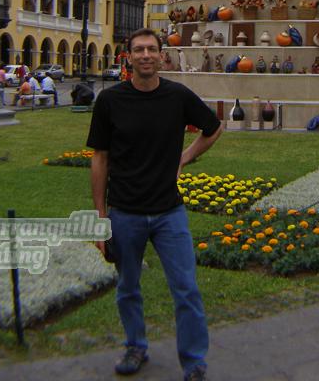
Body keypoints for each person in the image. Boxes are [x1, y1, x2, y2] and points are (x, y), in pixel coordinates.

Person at [87, 28, 223, 381]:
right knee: (128, 287)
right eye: (138, 50)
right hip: (124, 212)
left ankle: (193, 361)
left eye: (151, 49)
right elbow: (99, 159)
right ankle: (135, 345)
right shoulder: (110, 101)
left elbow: (212, 126)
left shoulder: (177, 96)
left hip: (168, 212)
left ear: (162, 56)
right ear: (128, 57)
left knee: (186, 289)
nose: (145, 55)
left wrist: (185, 157)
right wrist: (100, 217)